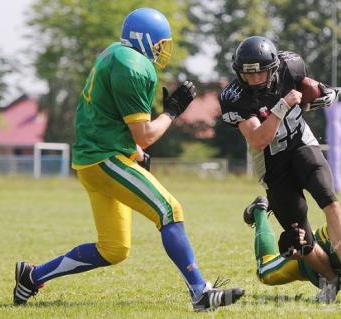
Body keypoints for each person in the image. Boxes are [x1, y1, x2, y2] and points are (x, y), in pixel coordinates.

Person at [13, 8, 244, 312]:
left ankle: (32, 276)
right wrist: (172, 113)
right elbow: (146, 134)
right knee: (169, 209)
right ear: (145, 39)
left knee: (114, 249)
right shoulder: (133, 64)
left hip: (93, 158)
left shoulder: (115, 54)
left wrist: (134, 151)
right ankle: (201, 292)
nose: (162, 50)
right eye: (160, 43)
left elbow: (105, 116)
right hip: (104, 158)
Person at [219, 36, 341, 291]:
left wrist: (321, 92)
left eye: (261, 72)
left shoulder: (290, 65)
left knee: (328, 197)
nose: (255, 79)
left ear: (273, 68)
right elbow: (259, 140)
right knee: (299, 237)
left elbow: (307, 87)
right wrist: (281, 107)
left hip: (300, 142)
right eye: (249, 74)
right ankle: (331, 280)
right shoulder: (234, 97)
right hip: (272, 162)